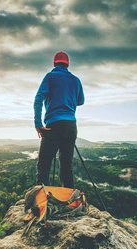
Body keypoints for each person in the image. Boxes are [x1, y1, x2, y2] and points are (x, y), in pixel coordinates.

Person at [33, 51, 85, 188]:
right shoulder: (76, 80)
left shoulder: (50, 76)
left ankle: (42, 200)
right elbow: (81, 101)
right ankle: (68, 200)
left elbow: (38, 99)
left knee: (44, 165)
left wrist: (38, 124)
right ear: (68, 64)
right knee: (66, 166)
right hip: (71, 126)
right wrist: (67, 99)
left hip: (53, 125)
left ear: (54, 63)